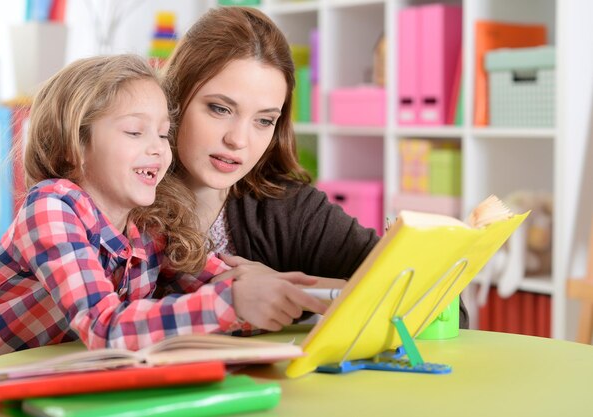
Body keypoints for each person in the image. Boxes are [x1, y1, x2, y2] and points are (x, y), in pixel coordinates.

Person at [0, 54, 326, 363]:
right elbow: (104, 328)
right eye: (136, 132)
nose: (158, 149)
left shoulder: (149, 228)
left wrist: (292, 294)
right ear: (72, 146)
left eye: (163, 133)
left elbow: (220, 282)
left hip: (31, 377)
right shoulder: (52, 206)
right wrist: (233, 301)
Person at [161, 6, 469, 330]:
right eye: (220, 109)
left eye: (264, 120)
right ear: (175, 97)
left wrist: (293, 290)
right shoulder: (123, 194)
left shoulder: (288, 209)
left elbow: (444, 304)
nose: (238, 139)